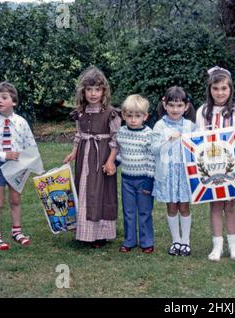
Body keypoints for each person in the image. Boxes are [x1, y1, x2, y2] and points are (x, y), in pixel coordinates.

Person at [63, 66, 121, 249]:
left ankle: (100, 234)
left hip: (102, 156)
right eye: (89, 89)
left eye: (97, 89)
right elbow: (79, 134)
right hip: (84, 156)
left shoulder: (110, 113)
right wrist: (74, 152)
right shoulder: (81, 112)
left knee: (100, 192)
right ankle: (84, 231)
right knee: (83, 189)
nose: (93, 94)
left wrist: (111, 160)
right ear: (83, 91)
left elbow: (116, 139)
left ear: (104, 91)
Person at [196, 66, 235, 261]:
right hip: (210, 166)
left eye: (224, 88)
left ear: (230, 89)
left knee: (231, 205)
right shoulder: (203, 111)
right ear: (210, 90)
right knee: (216, 206)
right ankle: (217, 246)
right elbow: (198, 140)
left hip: (232, 166)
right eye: (216, 88)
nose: (220, 92)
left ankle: (234, 246)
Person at [0, 82, 37, 250]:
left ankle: (17, 231)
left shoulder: (21, 122)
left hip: (17, 165)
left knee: (15, 199)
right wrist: (4, 155)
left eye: (4, 97)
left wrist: (33, 163)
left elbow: (30, 144)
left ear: (14, 101)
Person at [151, 86, 196, 257]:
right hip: (168, 172)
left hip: (184, 173)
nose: (175, 109)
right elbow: (154, 150)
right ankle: (175, 240)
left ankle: (186, 241)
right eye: (171, 105)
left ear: (186, 106)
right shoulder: (159, 125)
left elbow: (199, 147)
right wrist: (168, 141)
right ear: (165, 105)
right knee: (171, 206)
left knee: (184, 206)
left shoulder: (191, 126)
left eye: (179, 106)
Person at [116, 94, 155, 253]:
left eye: (137, 116)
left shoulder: (148, 134)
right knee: (129, 211)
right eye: (129, 116)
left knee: (145, 212)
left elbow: (152, 158)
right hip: (127, 180)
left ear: (145, 116)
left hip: (144, 179)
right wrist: (113, 164)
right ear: (123, 115)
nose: (133, 119)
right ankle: (129, 240)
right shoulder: (121, 132)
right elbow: (120, 153)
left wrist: (150, 180)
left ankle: (146, 241)